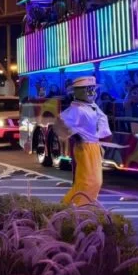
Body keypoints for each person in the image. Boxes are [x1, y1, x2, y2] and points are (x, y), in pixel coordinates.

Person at [53, 76, 112, 206]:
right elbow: (59, 122)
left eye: (93, 89)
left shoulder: (91, 106)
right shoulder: (77, 109)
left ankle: (71, 207)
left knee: (91, 181)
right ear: (79, 92)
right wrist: (75, 135)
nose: (92, 93)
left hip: (93, 146)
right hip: (85, 147)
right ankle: (79, 208)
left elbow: (102, 119)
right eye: (89, 90)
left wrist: (101, 136)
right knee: (89, 181)